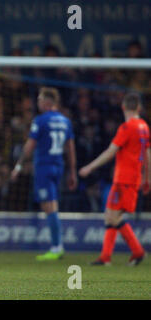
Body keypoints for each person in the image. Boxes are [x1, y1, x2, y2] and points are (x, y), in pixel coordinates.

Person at [79, 92, 149, 266]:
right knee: (110, 215)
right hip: (133, 178)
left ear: (123, 107)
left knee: (113, 217)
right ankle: (107, 257)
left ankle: (137, 251)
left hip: (124, 178)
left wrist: (89, 167)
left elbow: (111, 151)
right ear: (138, 107)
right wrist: (147, 178)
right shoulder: (144, 127)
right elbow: (148, 154)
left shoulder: (127, 128)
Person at [11, 87, 77, 261]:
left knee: (50, 207)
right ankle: (57, 246)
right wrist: (72, 172)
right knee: (51, 205)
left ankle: (57, 247)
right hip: (59, 166)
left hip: (44, 167)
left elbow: (29, 146)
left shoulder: (40, 120)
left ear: (48, 102)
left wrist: (18, 166)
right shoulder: (65, 121)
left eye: (40, 99)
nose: (38, 103)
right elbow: (70, 148)